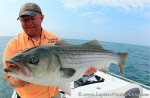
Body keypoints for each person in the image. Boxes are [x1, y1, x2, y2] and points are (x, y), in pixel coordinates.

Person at [2, 2, 96, 98]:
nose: (29, 23)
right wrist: (20, 79)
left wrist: (84, 68)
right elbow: (10, 79)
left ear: (42, 18)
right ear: (20, 21)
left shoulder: (54, 38)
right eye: (24, 20)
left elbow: (70, 60)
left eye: (32, 18)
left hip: (54, 95)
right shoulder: (12, 45)